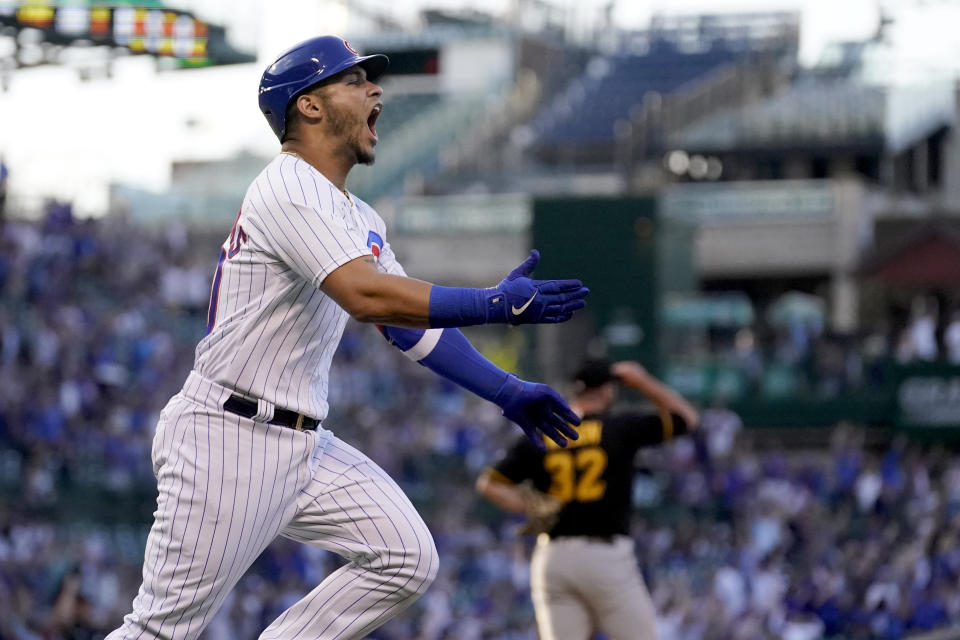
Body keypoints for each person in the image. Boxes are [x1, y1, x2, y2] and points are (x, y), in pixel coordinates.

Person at [106, 36, 589, 640]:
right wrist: (493, 303)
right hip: (228, 438)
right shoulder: (287, 185)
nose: (375, 90)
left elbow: (405, 323)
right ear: (309, 106)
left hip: (301, 445)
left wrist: (506, 388)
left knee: (405, 558)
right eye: (356, 81)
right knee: (159, 631)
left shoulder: (357, 215)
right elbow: (365, 297)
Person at [476, 358, 699, 640]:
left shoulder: (547, 431)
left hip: (552, 559)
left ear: (575, 391)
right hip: (604, 556)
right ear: (606, 390)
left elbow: (489, 484)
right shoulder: (619, 427)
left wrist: (531, 506)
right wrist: (642, 380)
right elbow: (687, 418)